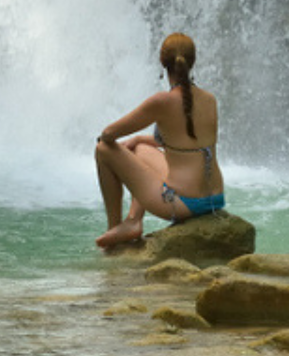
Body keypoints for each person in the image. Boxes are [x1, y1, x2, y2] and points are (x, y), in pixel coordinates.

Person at [93, 32, 225, 250]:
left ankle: (115, 229)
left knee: (103, 149)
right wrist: (137, 139)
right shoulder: (210, 99)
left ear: (163, 62)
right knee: (141, 148)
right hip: (214, 198)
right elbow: (184, 144)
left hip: (181, 203)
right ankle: (133, 220)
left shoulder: (162, 101)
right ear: (192, 61)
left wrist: (117, 145)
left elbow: (108, 134)